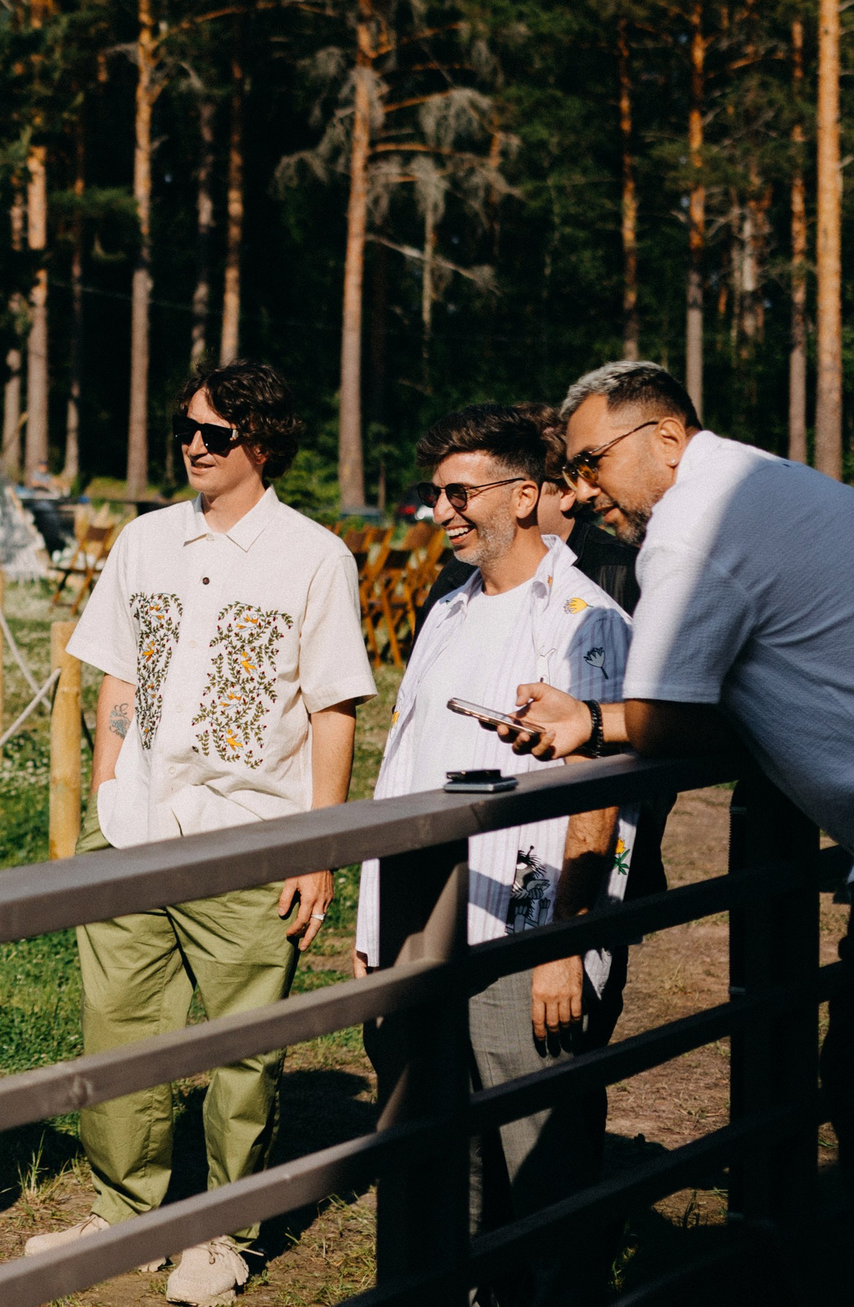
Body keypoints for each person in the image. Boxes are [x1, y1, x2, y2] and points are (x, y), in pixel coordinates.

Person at [484, 359, 854, 1307]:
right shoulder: (770, 484)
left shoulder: (692, 528)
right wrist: (609, 721)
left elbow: (671, 712)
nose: (583, 489)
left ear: (667, 439)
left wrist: (593, 721)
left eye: (594, 462)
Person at [22, 361, 374, 1306]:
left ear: (260, 442)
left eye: (214, 433)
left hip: (248, 837)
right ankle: (122, 1216)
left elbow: (334, 707)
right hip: (134, 831)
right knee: (120, 1037)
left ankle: (224, 1233)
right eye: (185, 426)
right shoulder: (144, 541)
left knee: (243, 1050)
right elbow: (115, 672)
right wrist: (105, 791)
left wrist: (318, 848)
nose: (192, 444)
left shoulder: (314, 556)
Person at [354, 404, 636, 1306]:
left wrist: (565, 944)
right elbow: (404, 766)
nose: (441, 510)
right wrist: (374, 920)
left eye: (459, 492)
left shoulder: (587, 617)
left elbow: (600, 795)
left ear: (523, 496)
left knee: (541, 1167)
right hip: (423, 929)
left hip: (524, 933)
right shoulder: (445, 608)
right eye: (436, 492)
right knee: (441, 1169)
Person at [418, 402, 639, 629]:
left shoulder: (622, 573)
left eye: (527, 483)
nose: (441, 513)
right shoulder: (458, 577)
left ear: (566, 491)